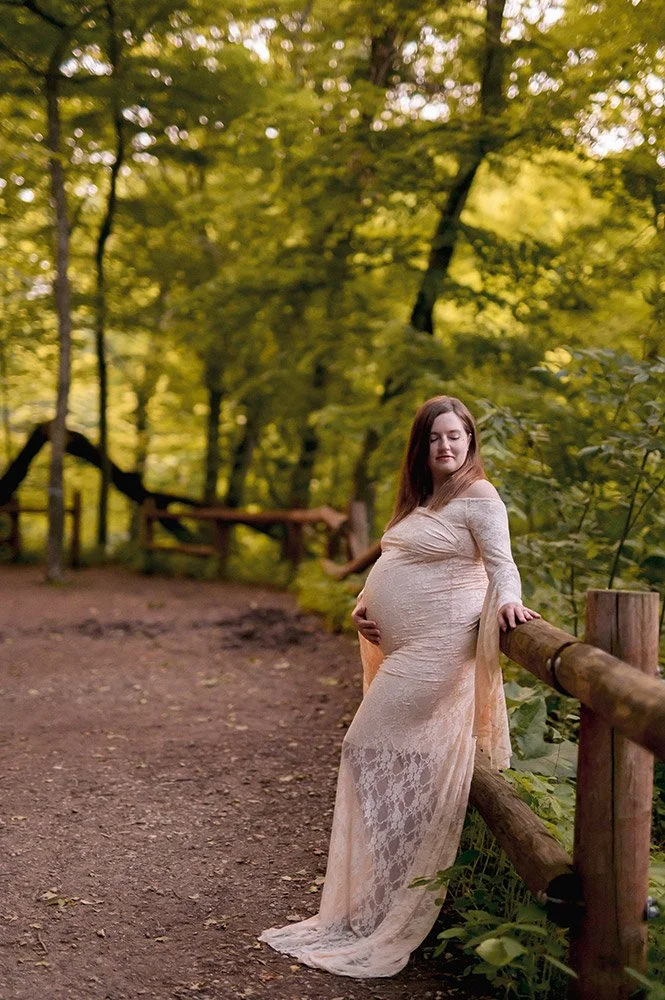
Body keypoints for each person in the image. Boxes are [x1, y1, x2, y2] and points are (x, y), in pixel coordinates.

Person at [258, 395, 540, 978]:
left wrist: (509, 601)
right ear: (422, 446)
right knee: (381, 760)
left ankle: (392, 903)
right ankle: (378, 896)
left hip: (437, 653)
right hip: (404, 649)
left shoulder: (480, 496)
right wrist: (365, 609)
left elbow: (501, 564)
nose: (446, 446)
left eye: (455, 436)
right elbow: (397, 567)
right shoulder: (425, 500)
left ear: (470, 441)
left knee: (368, 751)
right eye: (435, 438)